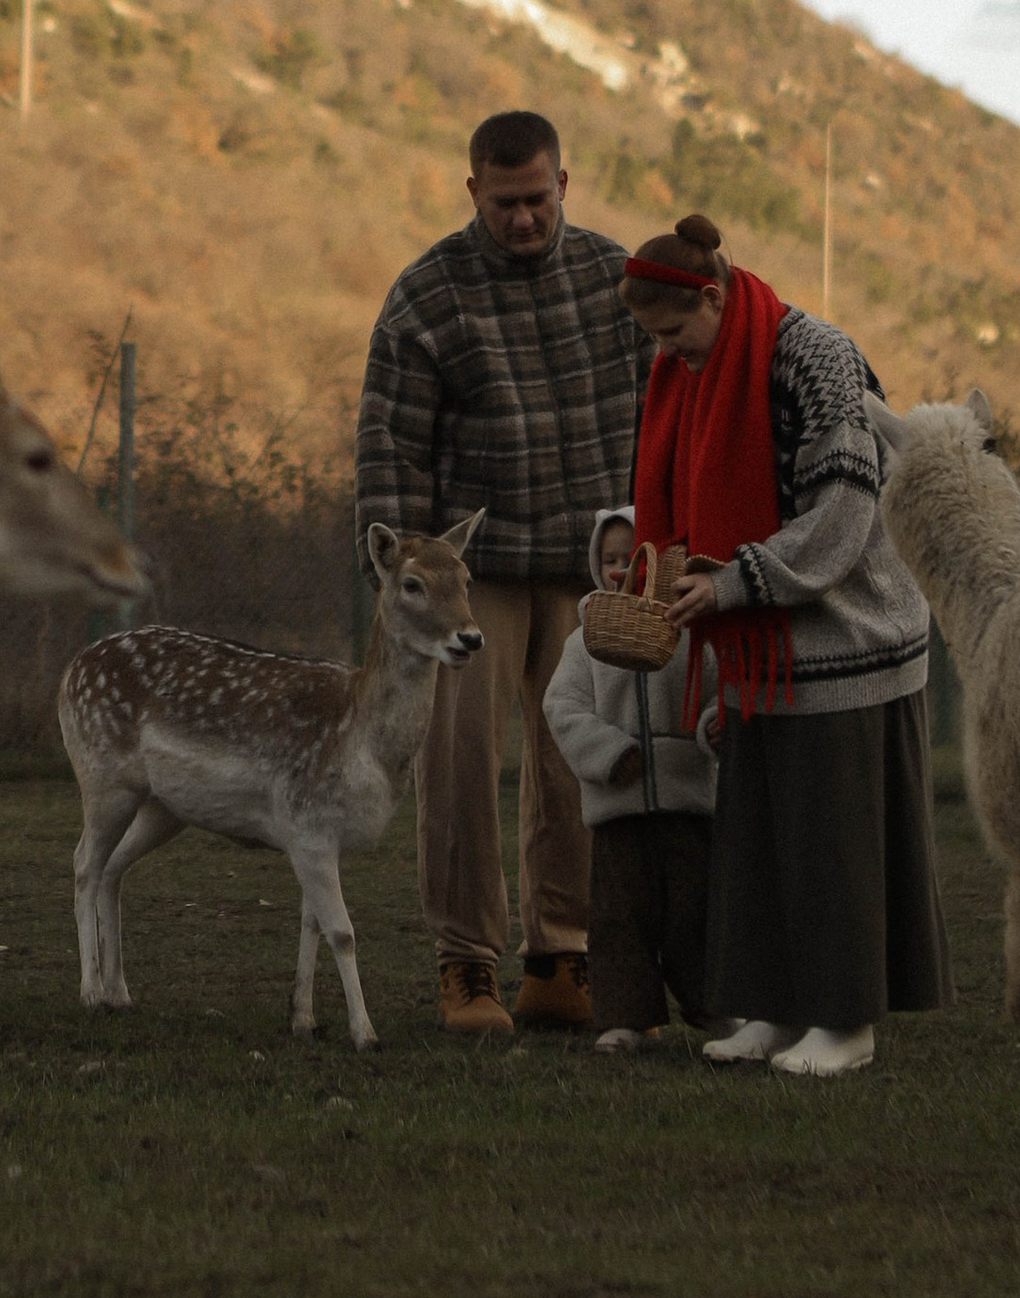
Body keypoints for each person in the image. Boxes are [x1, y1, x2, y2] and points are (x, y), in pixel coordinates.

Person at [623, 210, 950, 1078]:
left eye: (675, 334)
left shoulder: (817, 358)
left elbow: (845, 509)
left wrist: (734, 582)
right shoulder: (696, 369)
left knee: (831, 841)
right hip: (765, 647)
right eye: (656, 341)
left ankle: (844, 1025)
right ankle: (771, 1010)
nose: (669, 355)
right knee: (759, 839)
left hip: (849, 633)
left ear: (714, 297)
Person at [355, 108, 648, 1037]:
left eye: (536, 200)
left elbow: (664, 412)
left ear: (563, 184)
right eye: (504, 202)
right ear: (473, 190)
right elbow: (391, 450)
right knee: (459, 770)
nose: (522, 218)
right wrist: (400, 588)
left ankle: (561, 958)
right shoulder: (427, 297)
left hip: (590, 569)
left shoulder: (616, 281)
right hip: (469, 584)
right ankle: (467, 964)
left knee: (577, 765)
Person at [543, 505, 717, 1052]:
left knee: (698, 913)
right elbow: (562, 707)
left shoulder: (694, 633)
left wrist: (713, 729)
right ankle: (624, 1018)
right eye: (610, 559)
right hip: (616, 810)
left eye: (632, 556)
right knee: (618, 919)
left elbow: (719, 697)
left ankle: (716, 1009)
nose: (620, 569)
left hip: (689, 808)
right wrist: (609, 753)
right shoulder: (585, 642)